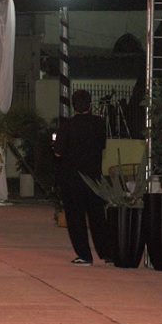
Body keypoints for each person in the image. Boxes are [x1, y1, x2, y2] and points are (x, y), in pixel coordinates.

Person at [53, 89, 110, 266]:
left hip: (72, 179)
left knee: (76, 218)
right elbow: (102, 146)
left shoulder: (67, 125)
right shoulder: (99, 123)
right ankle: (107, 253)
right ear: (90, 104)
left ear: (73, 106)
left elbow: (58, 153)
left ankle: (84, 255)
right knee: (97, 218)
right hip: (94, 179)